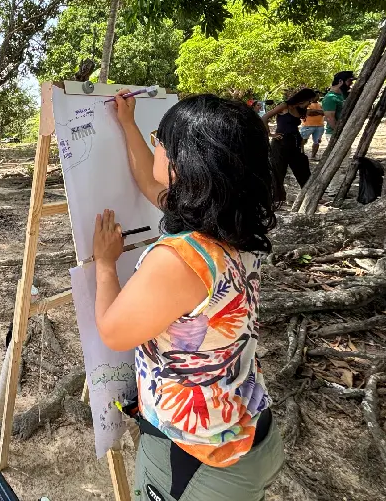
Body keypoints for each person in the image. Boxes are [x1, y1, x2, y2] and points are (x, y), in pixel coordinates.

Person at [92, 90, 282, 501]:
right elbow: (152, 183)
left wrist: (105, 265)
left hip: (199, 458)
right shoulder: (233, 222)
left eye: (160, 137)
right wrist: (128, 125)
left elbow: (113, 332)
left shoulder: (179, 260)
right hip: (247, 430)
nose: (155, 142)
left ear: (183, 165)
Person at [263, 88, 316, 203]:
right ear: (303, 99)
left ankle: (309, 196)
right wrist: (270, 134)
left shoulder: (298, 109)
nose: (310, 104)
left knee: (302, 169)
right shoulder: (284, 105)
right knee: (278, 171)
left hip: (295, 142)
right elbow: (264, 118)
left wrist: (301, 142)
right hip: (281, 143)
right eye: (309, 101)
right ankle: (276, 199)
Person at [323, 71, 356, 136]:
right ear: (340, 81)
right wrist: (339, 133)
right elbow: (330, 118)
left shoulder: (343, 95)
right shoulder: (330, 98)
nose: (351, 83)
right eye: (349, 81)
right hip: (334, 134)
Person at [300, 94, 326, 159]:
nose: (317, 97)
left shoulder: (320, 104)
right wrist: (319, 112)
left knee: (317, 141)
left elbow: (324, 113)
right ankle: (301, 153)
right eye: (315, 96)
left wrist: (315, 111)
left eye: (318, 96)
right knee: (303, 140)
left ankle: (313, 156)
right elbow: (309, 113)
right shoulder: (307, 104)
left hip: (319, 125)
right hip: (307, 125)